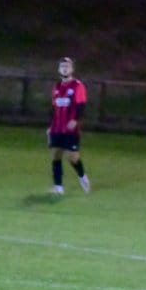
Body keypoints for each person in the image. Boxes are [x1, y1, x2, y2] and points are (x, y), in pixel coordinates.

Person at [47, 57, 90, 195]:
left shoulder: (77, 85)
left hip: (70, 129)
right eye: (62, 66)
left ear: (72, 69)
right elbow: (53, 108)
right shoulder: (56, 87)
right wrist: (50, 126)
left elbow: (81, 105)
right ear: (59, 69)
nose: (65, 68)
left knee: (72, 157)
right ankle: (58, 187)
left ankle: (82, 176)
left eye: (67, 66)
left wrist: (76, 120)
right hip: (56, 128)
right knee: (56, 155)